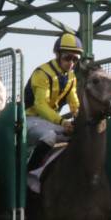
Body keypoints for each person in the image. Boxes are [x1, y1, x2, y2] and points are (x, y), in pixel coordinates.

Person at [23, 32, 82, 163]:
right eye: (67, 58)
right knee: (49, 137)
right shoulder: (42, 73)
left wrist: (80, 117)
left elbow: (74, 104)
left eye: (75, 59)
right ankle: (29, 172)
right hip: (29, 120)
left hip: (50, 122)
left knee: (78, 136)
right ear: (58, 55)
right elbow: (40, 105)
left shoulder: (71, 77)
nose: (71, 63)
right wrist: (62, 122)